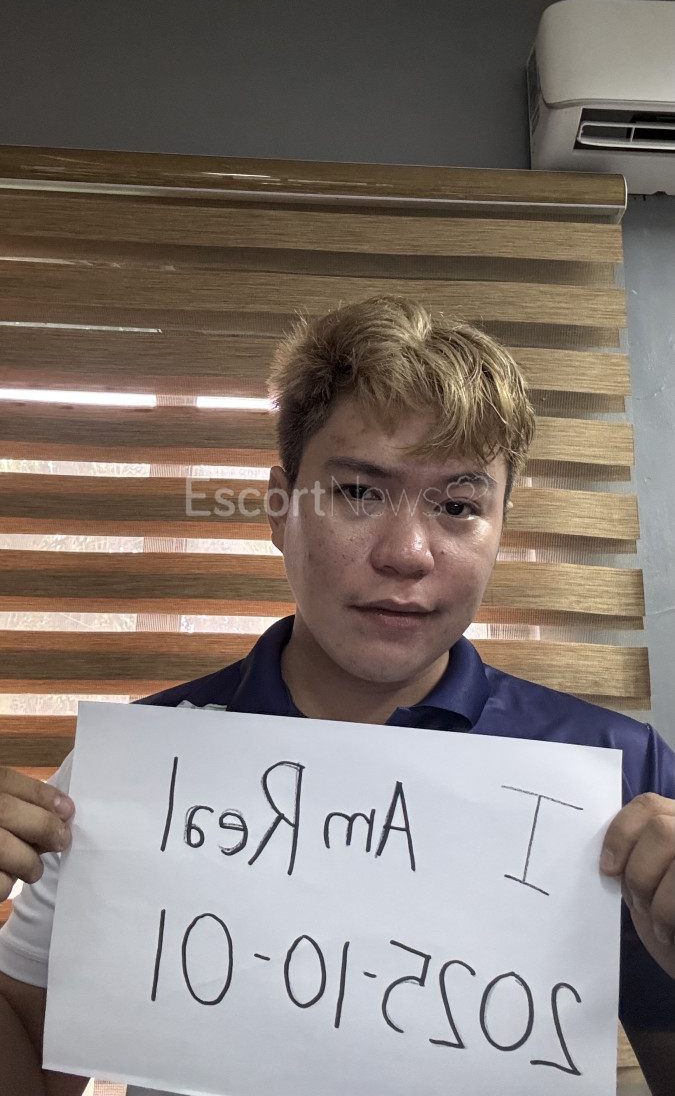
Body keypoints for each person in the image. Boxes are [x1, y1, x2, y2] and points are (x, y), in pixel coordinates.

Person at [0, 297, 673, 1096]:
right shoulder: (130, 774)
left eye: (458, 506)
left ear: (499, 526)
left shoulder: (617, 774)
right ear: (279, 509)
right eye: (357, 492)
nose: (407, 553)